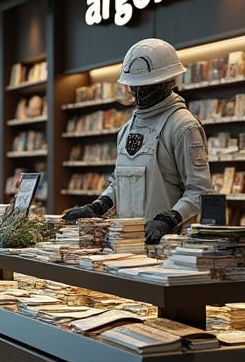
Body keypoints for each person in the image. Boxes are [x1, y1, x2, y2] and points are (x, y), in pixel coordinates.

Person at [63, 38, 212, 244]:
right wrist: (97, 207)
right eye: (135, 86)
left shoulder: (183, 126)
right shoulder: (126, 129)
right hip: (124, 242)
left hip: (166, 246)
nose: (140, 93)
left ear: (168, 82)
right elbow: (118, 183)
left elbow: (199, 190)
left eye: (147, 86)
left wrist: (169, 219)